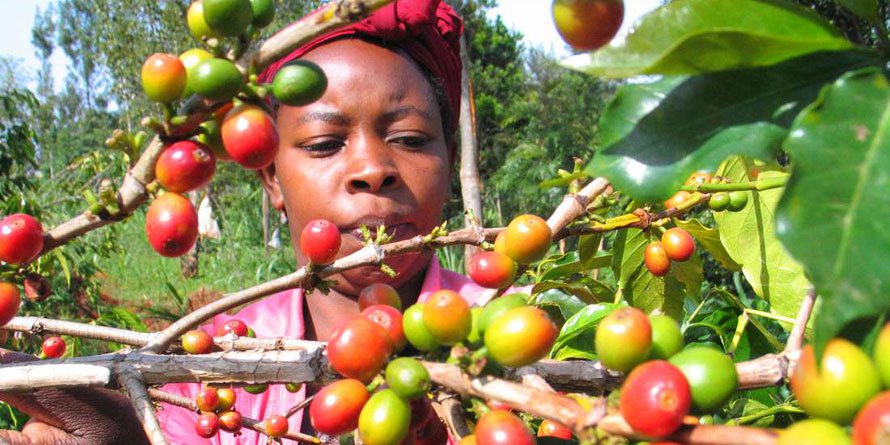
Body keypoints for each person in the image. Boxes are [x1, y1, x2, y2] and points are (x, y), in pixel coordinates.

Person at [0, 0, 493, 443]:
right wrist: (131, 436)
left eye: (409, 138)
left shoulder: (524, 329)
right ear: (271, 178)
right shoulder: (216, 359)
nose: (372, 170)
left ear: (450, 161)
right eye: (324, 144)